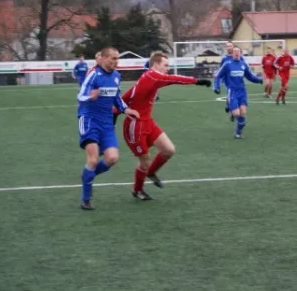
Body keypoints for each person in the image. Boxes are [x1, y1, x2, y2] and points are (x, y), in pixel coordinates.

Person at [118, 52, 211, 200]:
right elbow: (173, 79)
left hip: (148, 122)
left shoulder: (150, 78)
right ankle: (138, 190)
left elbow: (129, 94)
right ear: (155, 65)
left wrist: (117, 109)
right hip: (135, 126)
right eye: (165, 65)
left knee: (168, 150)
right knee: (145, 161)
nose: (168, 68)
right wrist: (197, 80)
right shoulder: (152, 76)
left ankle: (151, 172)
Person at [77, 47, 140, 210]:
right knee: (93, 158)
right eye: (112, 58)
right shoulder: (94, 75)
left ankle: (87, 176)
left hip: (106, 123)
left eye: (117, 58)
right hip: (89, 119)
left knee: (112, 158)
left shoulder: (116, 76)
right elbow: (80, 95)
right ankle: (86, 198)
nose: (116, 61)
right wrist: (90, 97)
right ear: (103, 59)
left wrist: (126, 110)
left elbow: (116, 98)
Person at [213, 46, 263, 139]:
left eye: (238, 51)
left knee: (243, 113)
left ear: (240, 53)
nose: (236, 53)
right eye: (235, 51)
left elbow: (250, 76)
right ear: (232, 54)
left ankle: (237, 133)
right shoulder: (227, 64)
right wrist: (216, 87)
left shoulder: (243, 64)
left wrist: (258, 80)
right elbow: (218, 76)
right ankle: (230, 105)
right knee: (236, 114)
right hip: (232, 91)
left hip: (242, 91)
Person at [217, 41, 247, 121]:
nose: (229, 47)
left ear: (233, 47)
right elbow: (221, 70)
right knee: (230, 93)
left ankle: (231, 109)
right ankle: (231, 109)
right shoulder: (224, 59)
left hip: (236, 80)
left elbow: (244, 66)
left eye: (230, 46)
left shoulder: (239, 57)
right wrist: (220, 79)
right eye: (227, 46)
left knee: (232, 96)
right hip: (227, 80)